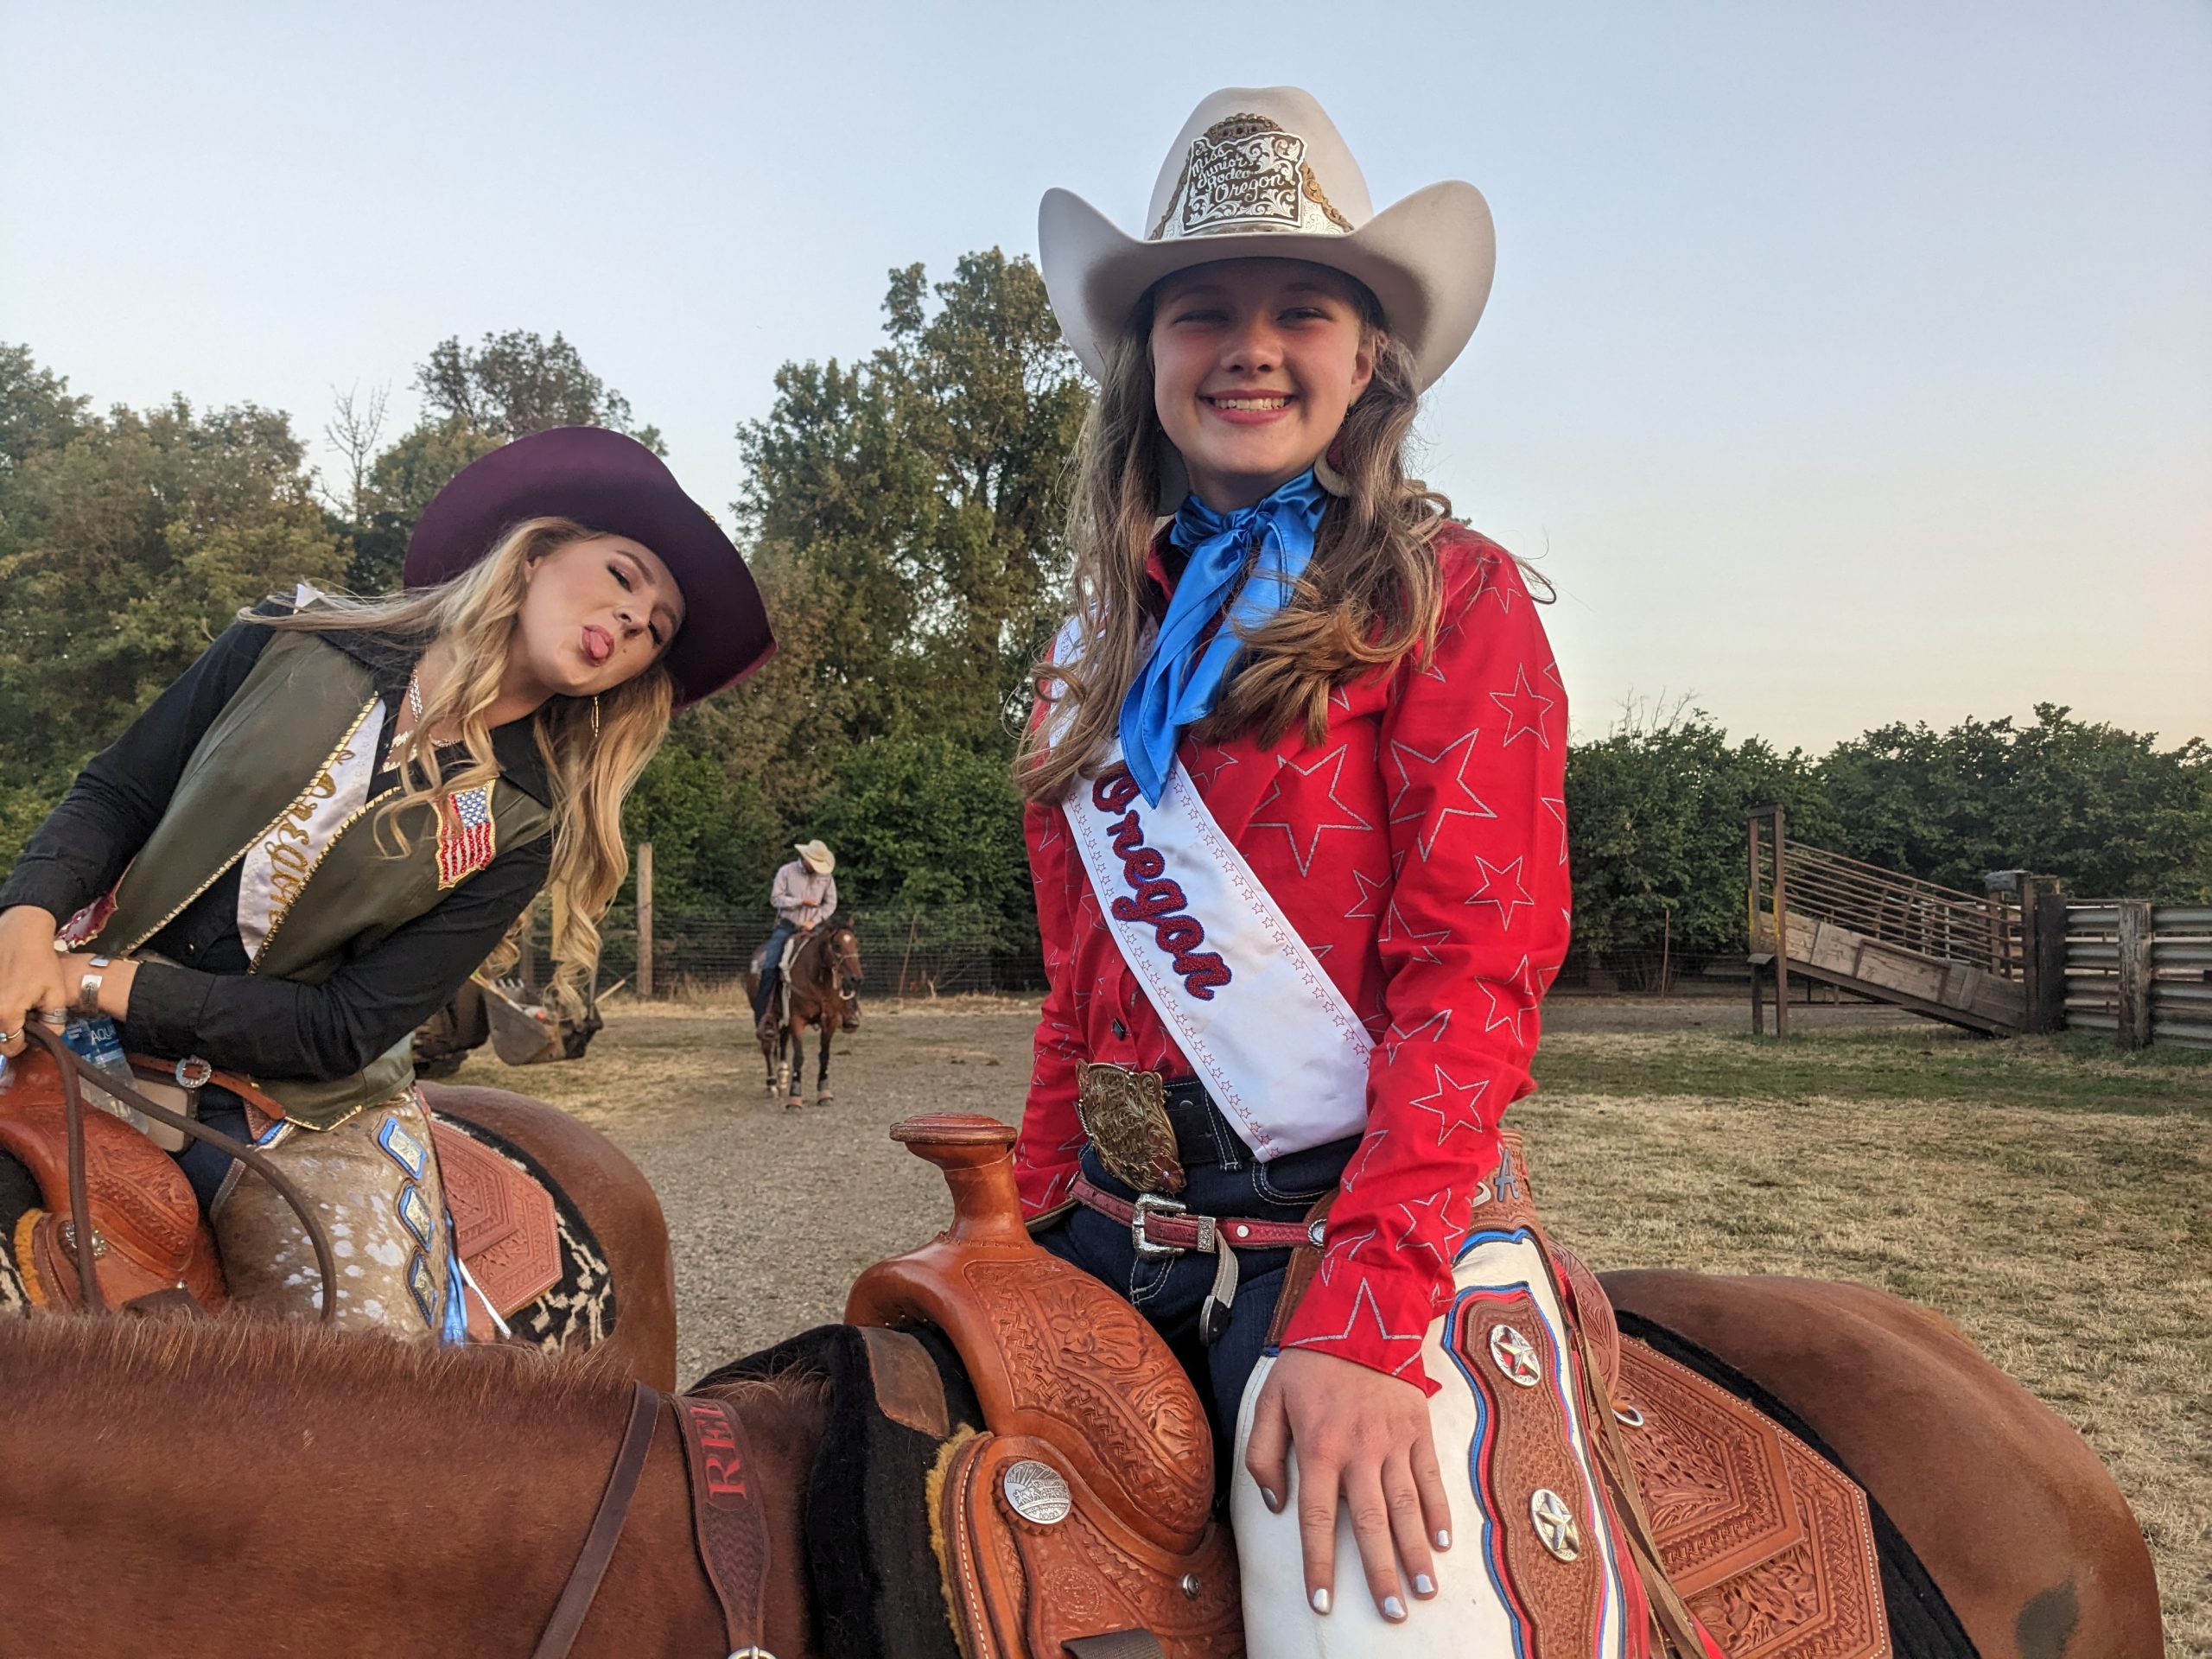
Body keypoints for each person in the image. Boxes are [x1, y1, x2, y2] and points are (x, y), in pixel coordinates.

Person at [1018, 89, 1707, 1657]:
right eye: (1204, 310)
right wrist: (1033, 1225)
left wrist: (1366, 1320)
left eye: (1300, 310)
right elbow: (1078, 995)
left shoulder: (1452, 601)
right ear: (1150, 357)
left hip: (1357, 1233)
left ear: (1369, 357)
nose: (1250, 348)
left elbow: (1474, 981)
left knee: (1359, 1617)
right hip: (1111, 1230)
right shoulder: (1084, 655)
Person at [0, 427, 773, 1338]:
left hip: (297, 1106)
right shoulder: (288, 636)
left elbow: (343, 1029)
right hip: (61, 1011)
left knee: (371, 1378)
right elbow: (119, 791)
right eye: (623, 575)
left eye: (659, 629)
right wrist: (26, 920)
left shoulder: (524, 824)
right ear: (535, 555)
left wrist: (91, 979)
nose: (636, 618)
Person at [751, 838, 837, 1024]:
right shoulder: (786, 872)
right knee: (770, 965)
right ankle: (764, 1016)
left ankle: (845, 1010)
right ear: (805, 858)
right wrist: (799, 902)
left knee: (836, 962)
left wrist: (813, 921)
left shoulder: (826, 877)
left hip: (814, 928)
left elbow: (830, 904)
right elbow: (776, 899)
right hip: (787, 927)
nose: (816, 868)